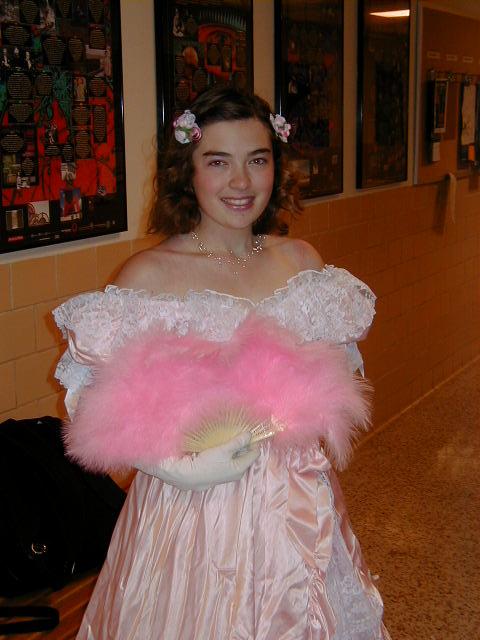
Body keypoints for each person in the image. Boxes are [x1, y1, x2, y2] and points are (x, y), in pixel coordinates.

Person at [54, 86, 390, 639]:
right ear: (187, 171)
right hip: (191, 514)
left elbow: (337, 372)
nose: (241, 182)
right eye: (218, 162)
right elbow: (95, 404)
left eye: (257, 160)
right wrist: (174, 465)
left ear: (276, 167)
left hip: (297, 505)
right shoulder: (149, 275)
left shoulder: (301, 261)